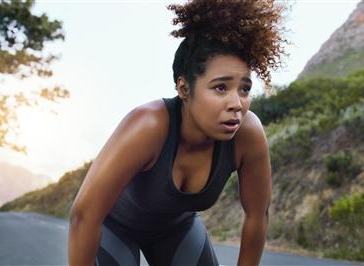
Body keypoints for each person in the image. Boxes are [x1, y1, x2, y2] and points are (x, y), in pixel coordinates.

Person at [68, 0, 288, 265]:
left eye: (244, 89)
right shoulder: (148, 126)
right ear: (184, 89)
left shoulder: (247, 134)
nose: (237, 103)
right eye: (220, 88)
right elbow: (84, 215)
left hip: (176, 230)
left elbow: (257, 215)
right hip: (113, 228)